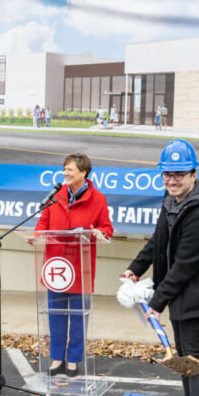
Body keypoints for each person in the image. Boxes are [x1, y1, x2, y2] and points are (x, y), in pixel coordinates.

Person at [122, 140, 199, 396]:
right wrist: (136, 267)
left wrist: (157, 302)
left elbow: (185, 265)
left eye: (179, 174)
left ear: (194, 175)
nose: (172, 180)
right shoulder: (172, 200)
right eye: (168, 174)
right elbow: (158, 239)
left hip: (196, 293)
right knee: (183, 356)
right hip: (179, 291)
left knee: (192, 358)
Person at [33, 154, 114, 377]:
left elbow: (107, 228)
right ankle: (57, 358)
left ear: (84, 172)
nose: (66, 173)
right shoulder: (55, 196)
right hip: (56, 267)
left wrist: (99, 233)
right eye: (65, 169)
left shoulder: (98, 198)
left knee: (78, 316)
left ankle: (74, 360)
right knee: (56, 315)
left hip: (80, 266)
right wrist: (37, 235)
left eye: (70, 170)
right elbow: (43, 223)